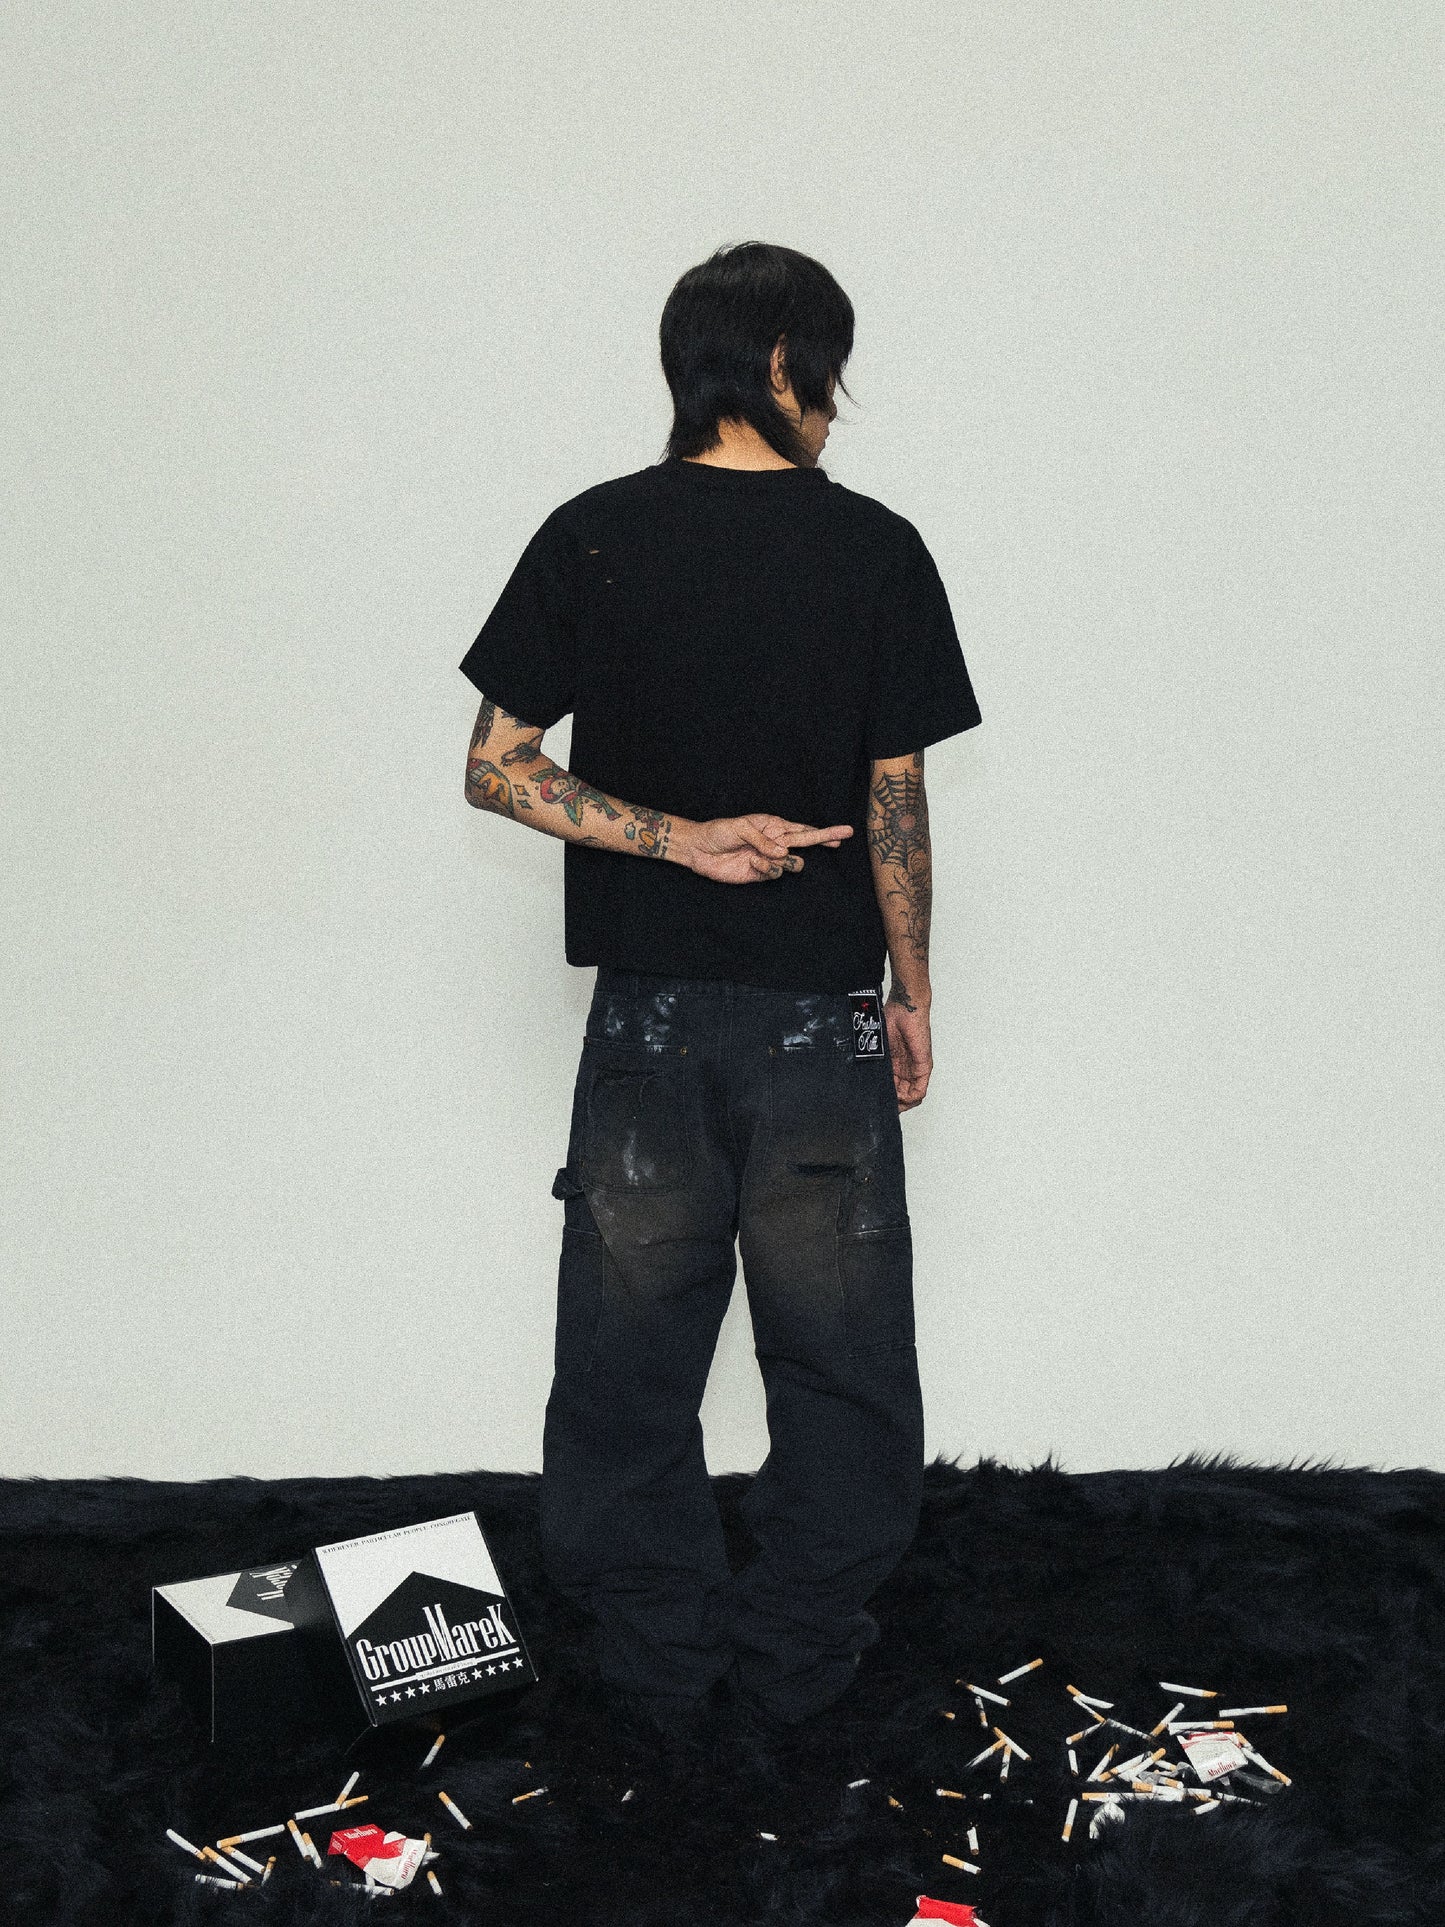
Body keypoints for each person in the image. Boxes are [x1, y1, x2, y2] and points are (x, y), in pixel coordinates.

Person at [458, 241, 982, 1746]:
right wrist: (912, 988)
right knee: (842, 1367)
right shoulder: (875, 549)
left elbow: (496, 768)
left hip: (649, 1025)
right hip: (818, 1017)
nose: (835, 409)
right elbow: (895, 799)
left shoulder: (593, 534)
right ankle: (798, 1671)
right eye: (830, 375)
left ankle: (657, 1677)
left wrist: (674, 840)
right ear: (781, 366)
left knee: (625, 1365)